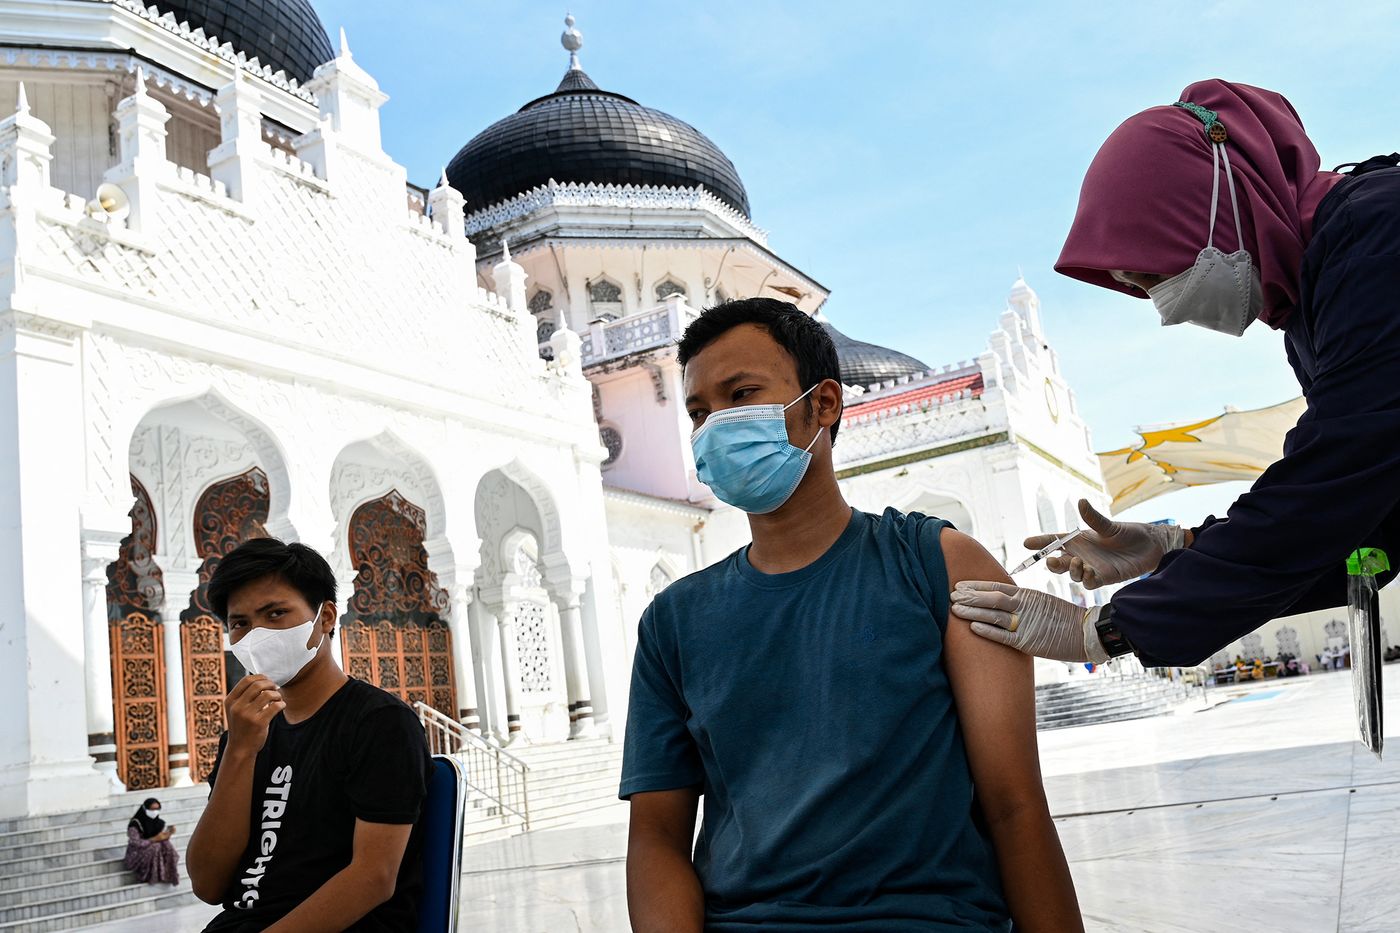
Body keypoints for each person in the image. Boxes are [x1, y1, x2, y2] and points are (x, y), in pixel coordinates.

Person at [620, 298, 1082, 932]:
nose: (715, 427)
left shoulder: (938, 568)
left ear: (824, 404)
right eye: (699, 412)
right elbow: (656, 839)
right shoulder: (673, 622)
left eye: (743, 395)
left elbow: (1016, 807)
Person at [949, 79, 1400, 671]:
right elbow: (1369, 529)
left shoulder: (1378, 235)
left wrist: (1105, 629)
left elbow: (1340, 477)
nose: (1165, 306)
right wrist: (1178, 545)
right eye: (1139, 289)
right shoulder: (1315, 303)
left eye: (1154, 273)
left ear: (1216, 201)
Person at [186, 538, 432, 932]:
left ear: (327, 617)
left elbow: (374, 878)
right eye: (240, 623)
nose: (257, 635)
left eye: (276, 613)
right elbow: (208, 883)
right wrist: (239, 752)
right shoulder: (248, 734)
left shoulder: (379, 723)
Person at [124, 797, 180, 885]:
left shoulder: (158, 822)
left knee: (167, 845)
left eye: (157, 809)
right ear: (145, 809)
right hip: (136, 853)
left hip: (151, 848)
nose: (155, 811)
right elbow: (135, 843)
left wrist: (168, 834)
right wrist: (153, 840)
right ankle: (150, 876)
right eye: (152, 809)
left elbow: (160, 838)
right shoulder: (135, 824)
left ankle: (168, 874)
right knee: (155, 847)